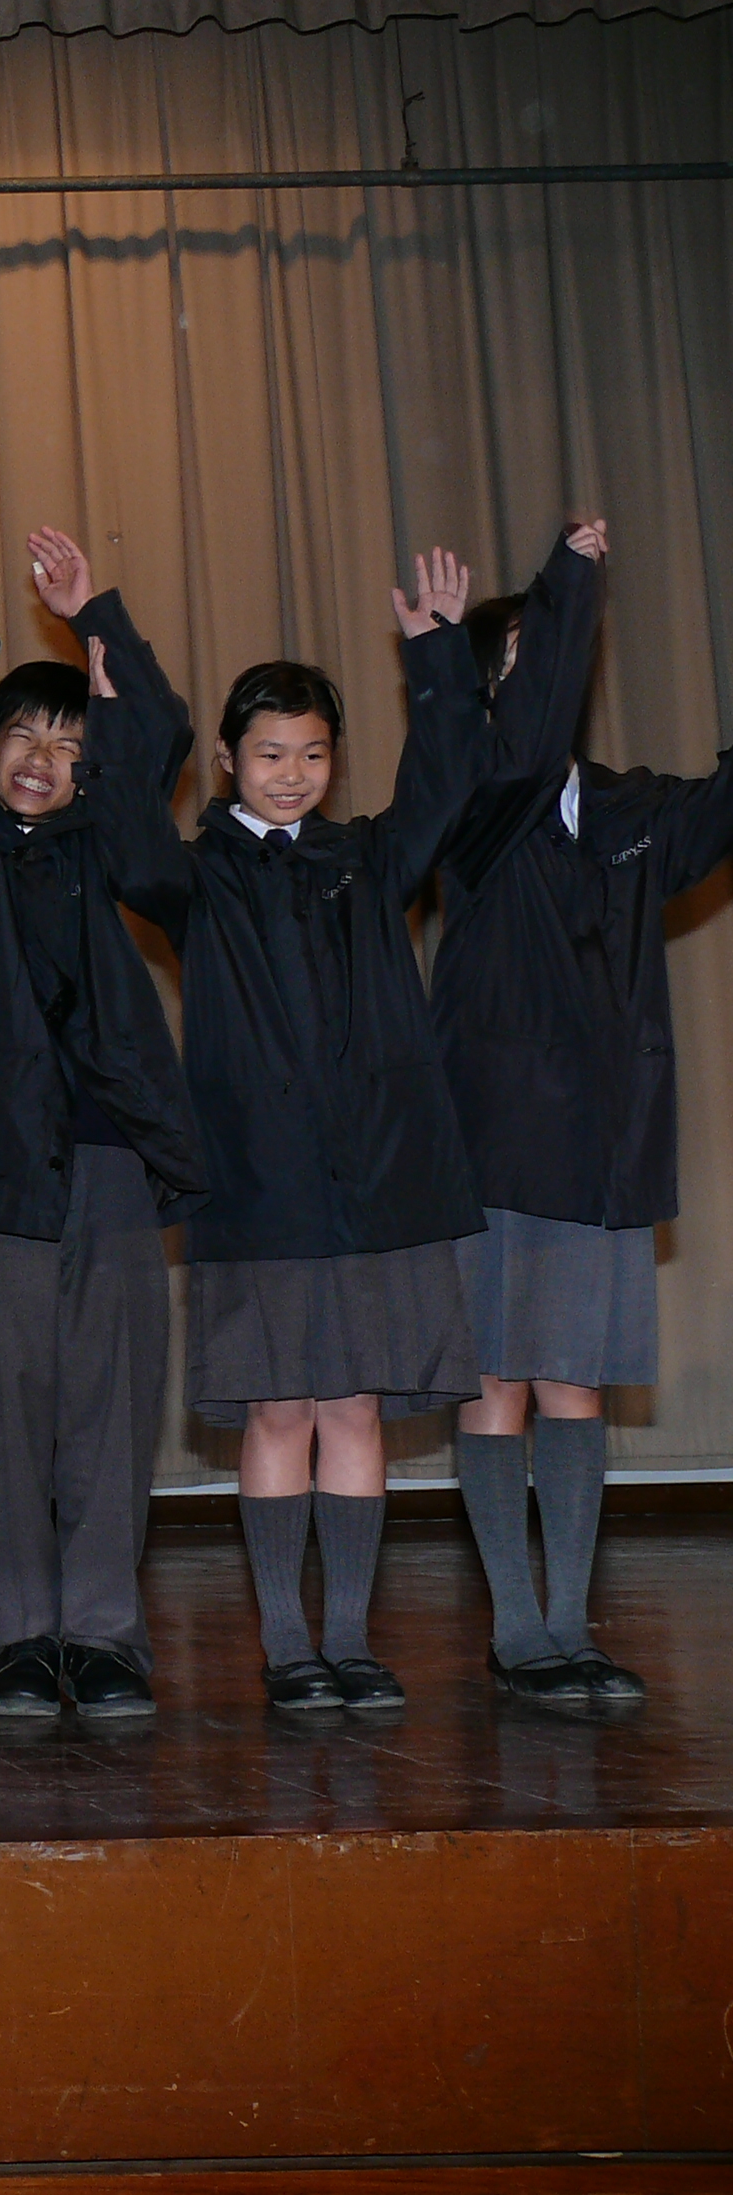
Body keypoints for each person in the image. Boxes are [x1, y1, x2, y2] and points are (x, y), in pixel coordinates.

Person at [82, 554, 490, 1714]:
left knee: (354, 1406)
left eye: (313, 754)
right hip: (256, 1185)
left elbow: (447, 782)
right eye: (269, 754)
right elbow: (124, 837)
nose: (293, 775)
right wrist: (108, 678)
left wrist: (438, 652)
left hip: (376, 1183)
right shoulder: (197, 876)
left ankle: (348, 1639)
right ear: (227, 760)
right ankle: (285, 1645)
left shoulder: (368, 861)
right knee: (278, 1409)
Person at [0, 536, 206, 1723]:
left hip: (112, 1160)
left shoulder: (113, 845)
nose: (44, 760)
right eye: (23, 737)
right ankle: (22, 1639)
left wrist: (97, 621)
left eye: (70, 745)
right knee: (3, 1423)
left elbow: (160, 739)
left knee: (110, 1409)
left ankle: (105, 1635)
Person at [435, 518, 723, 1704]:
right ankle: (515, 1625)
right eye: (521, 658)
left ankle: (568, 1625)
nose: (542, 676)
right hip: (498, 1139)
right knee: (496, 1381)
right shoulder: (472, 799)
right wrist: (567, 582)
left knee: (575, 1385)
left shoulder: (630, 807)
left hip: (604, 1147)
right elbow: (532, 715)